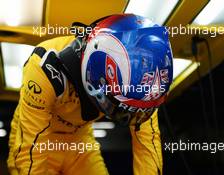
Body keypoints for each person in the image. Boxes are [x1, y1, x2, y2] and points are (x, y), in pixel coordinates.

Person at [7, 14, 173, 175]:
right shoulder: (43, 67)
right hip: (37, 140)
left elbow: (147, 143)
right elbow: (30, 152)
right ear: (95, 74)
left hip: (80, 142)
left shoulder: (145, 89)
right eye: (116, 106)